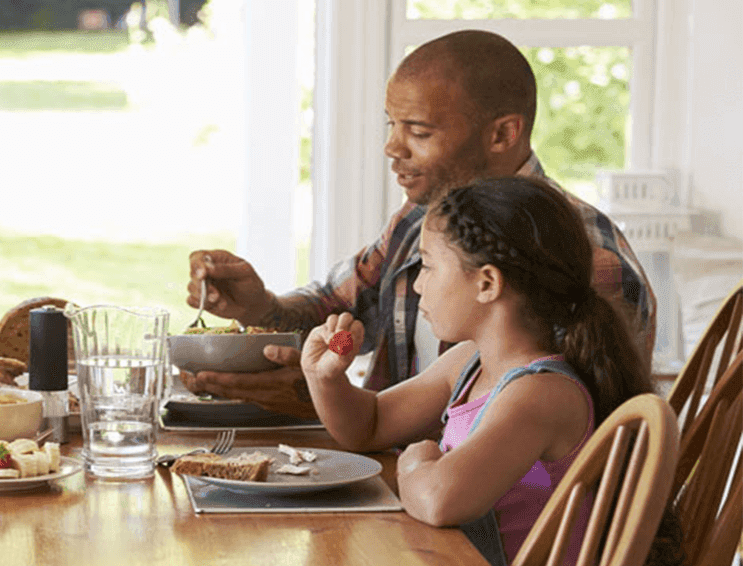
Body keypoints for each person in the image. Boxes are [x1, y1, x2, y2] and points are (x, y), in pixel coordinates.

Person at [301, 176, 677, 566]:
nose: (417, 284)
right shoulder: (470, 362)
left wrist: (419, 459)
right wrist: (327, 378)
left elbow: (440, 500)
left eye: (428, 267)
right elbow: (367, 426)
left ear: (487, 284)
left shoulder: (540, 393)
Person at [184, 29, 655, 417]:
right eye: (391, 125)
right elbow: (336, 303)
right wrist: (259, 305)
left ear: (502, 134)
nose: (393, 148)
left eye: (418, 131)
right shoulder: (421, 220)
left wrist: (329, 403)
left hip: (503, 524)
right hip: (404, 482)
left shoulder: (585, 256)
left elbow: (557, 442)